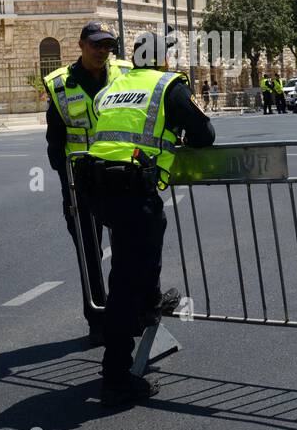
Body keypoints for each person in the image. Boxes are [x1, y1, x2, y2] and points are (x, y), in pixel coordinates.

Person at [75, 31, 215, 407]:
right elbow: (205, 135)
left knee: (141, 246)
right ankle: (116, 376)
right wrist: (180, 135)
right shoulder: (168, 85)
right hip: (129, 190)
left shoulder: (116, 85)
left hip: (97, 188)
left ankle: (150, 301)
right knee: (124, 281)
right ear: (165, 59)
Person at [44, 21, 133, 343]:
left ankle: (127, 313)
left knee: (129, 250)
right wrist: (66, 181)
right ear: (81, 45)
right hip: (80, 181)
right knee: (89, 253)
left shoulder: (126, 75)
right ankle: (98, 320)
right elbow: (55, 142)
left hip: (123, 176)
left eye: (108, 45)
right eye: (96, 44)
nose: (103, 51)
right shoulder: (60, 85)